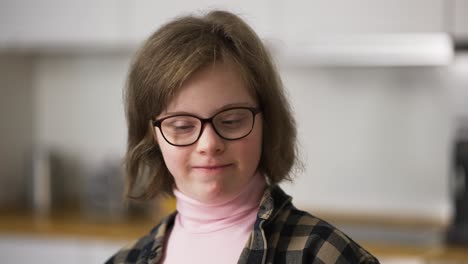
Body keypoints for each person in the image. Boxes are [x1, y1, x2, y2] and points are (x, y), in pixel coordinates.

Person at [106, 10, 379, 264]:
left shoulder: (324, 254)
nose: (209, 144)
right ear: (152, 136)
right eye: (181, 126)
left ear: (266, 123)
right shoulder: (125, 261)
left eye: (231, 121)